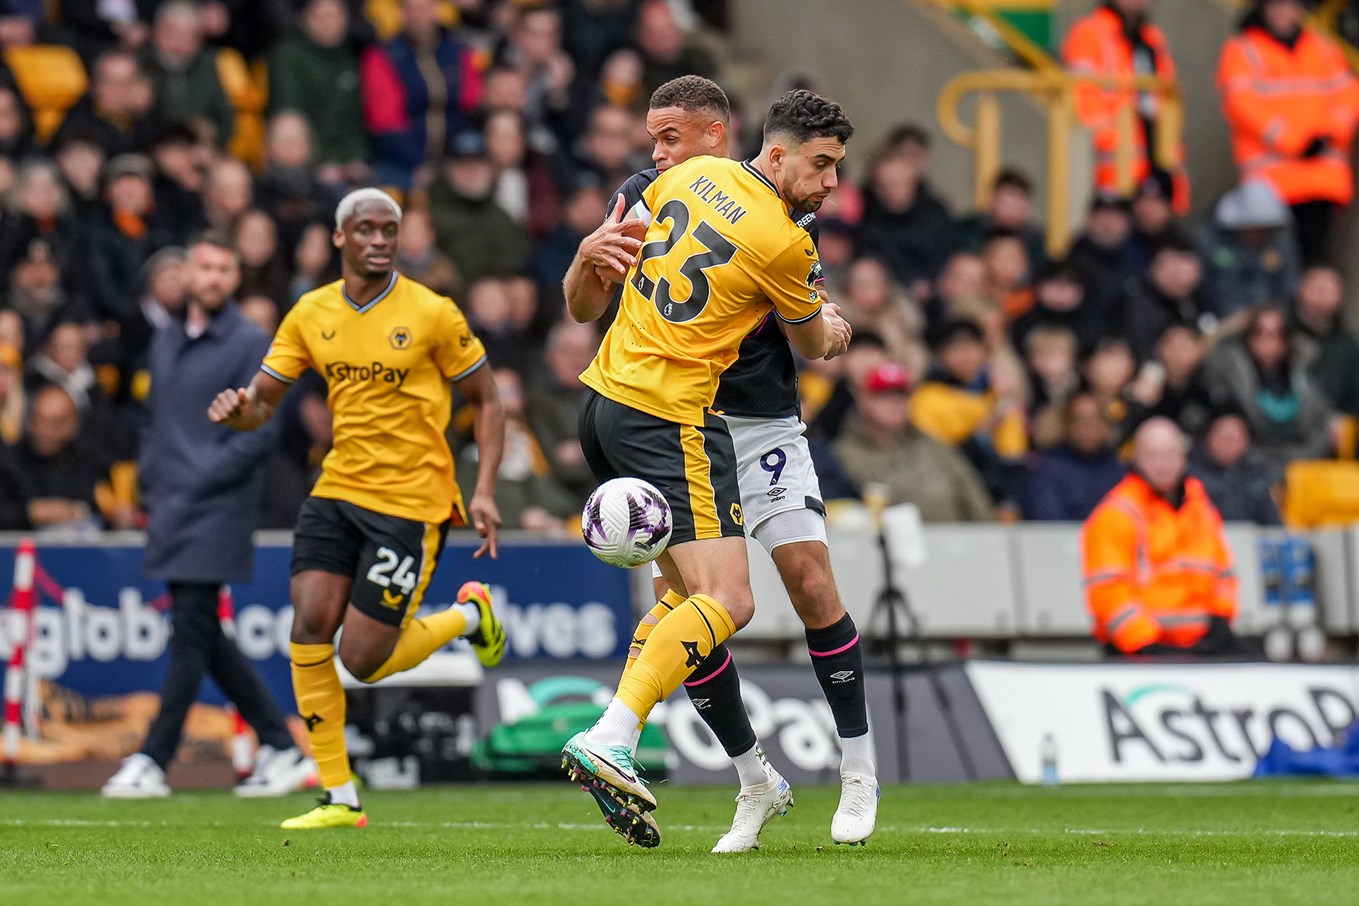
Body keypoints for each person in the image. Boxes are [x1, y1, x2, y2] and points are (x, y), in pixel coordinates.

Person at [566, 76, 877, 851]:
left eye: (669, 136)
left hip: (681, 411)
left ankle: (850, 772)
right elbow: (581, 302)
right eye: (823, 166)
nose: (655, 151)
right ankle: (677, 754)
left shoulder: (683, 185)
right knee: (721, 603)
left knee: (757, 591)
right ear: (773, 154)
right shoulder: (762, 227)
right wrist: (829, 327)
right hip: (680, 418)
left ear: (715, 136)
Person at [207, 188, 508, 830]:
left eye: (389, 230)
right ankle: (339, 796)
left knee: (362, 659)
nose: (378, 239)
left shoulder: (432, 312)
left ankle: (466, 614)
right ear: (340, 238)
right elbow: (263, 402)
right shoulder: (310, 313)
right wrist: (241, 414)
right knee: (309, 625)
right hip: (337, 489)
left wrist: (481, 489)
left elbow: (487, 400)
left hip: (412, 501)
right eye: (365, 229)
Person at [101, 232, 314, 800]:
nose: (214, 277)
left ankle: (152, 758)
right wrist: (152, 477)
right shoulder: (167, 337)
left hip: (217, 506)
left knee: (190, 632)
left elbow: (260, 433)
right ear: (186, 273)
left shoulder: (250, 342)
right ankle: (283, 745)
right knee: (201, 632)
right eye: (206, 267)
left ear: (235, 278)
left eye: (225, 269)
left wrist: (198, 481)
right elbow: (153, 419)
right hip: (171, 503)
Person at [1083, 418, 1251, 657]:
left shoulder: (1199, 507)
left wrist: (1220, 619)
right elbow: (1108, 592)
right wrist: (1146, 644)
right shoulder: (1117, 513)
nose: (1163, 465)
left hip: (1202, 644)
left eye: (1170, 455)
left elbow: (1223, 573)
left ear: (1183, 457)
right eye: (1153, 456)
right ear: (1136, 458)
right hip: (1140, 650)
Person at [1217, 0, 1359, 264]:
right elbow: (1242, 104)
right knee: (1272, 262)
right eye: (1277, 5)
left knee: (1315, 260)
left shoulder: (1322, 46)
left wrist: (1331, 132)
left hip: (1322, 177)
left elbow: (1348, 94)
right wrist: (1294, 141)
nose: (1284, 12)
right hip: (1273, 181)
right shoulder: (1244, 48)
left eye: (1290, 5)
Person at [1062, 0, 1187, 211]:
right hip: (1110, 163)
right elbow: (1081, 97)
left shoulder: (1152, 37)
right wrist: (1107, 138)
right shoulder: (1089, 31)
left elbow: (1167, 97)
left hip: (1153, 158)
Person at [833, 362, 993, 522]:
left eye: (901, 394)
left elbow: (974, 499)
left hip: (957, 543)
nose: (894, 403)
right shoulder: (842, 455)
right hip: (883, 543)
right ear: (863, 399)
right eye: (883, 395)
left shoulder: (934, 446)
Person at [1202, 304, 1333, 476]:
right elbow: (1204, 346)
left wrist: (1303, 457)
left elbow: (1322, 423)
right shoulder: (1228, 368)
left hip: (1302, 461)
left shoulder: (1305, 369)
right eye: (1259, 333)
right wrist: (1232, 326)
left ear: (1287, 339)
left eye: (1276, 334)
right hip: (1247, 463)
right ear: (1247, 337)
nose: (1267, 341)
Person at [1197, 180, 1299, 318]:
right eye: (1250, 227)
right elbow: (1204, 288)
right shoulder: (1212, 244)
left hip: (1269, 324)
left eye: (1263, 228)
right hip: (1222, 321)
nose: (1256, 234)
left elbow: (1288, 288)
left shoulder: (1281, 247)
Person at [1021, 392, 1125, 521]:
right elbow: (1048, 523)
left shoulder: (1117, 469)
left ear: (1106, 426)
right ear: (1067, 425)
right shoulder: (1046, 469)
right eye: (1080, 420)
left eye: (1096, 420)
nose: (1088, 428)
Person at [1189, 410, 1281, 526]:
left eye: (1233, 438)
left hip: (1249, 539)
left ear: (1246, 441)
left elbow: (1272, 522)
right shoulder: (1191, 473)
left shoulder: (1257, 474)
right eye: (1223, 437)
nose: (1228, 444)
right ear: (1209, 438)